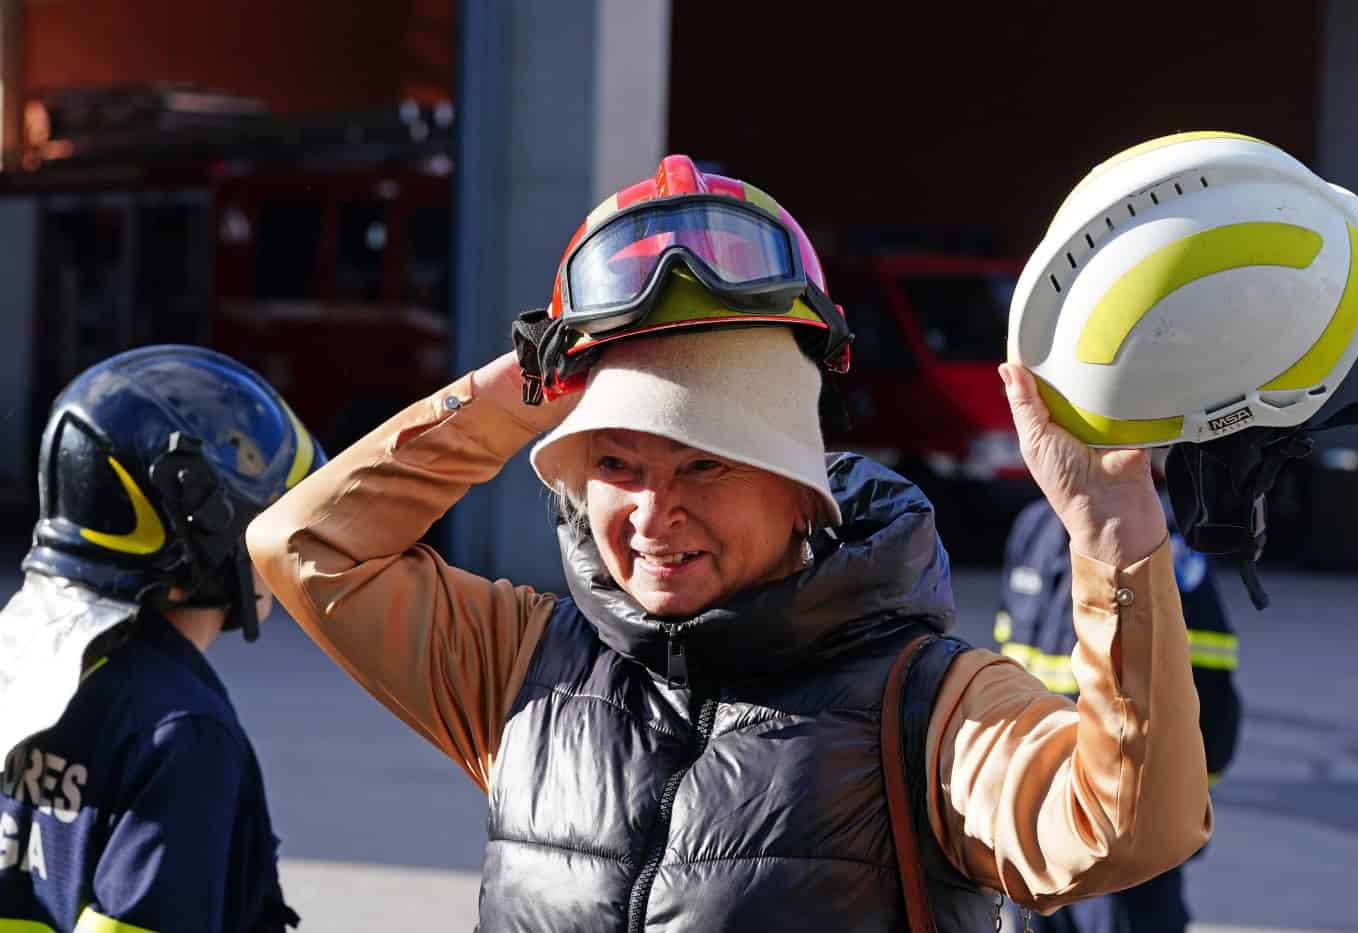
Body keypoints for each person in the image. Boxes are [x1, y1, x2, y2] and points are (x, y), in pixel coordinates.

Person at [248, 155, 1212, 931]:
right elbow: (304, 544)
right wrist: (520, 390)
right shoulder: (524, 669)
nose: (652, 512)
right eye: (616, 463)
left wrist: (1116, 538)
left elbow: (1128, 828)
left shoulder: (925, 705)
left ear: (798, 486)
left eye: (703, 465)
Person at [0, 346, 324, 932]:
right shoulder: (178, 734)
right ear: (206, 526)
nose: (286, 543)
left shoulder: (16, 670)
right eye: (276, 517)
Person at [996, 492, 1242, 933]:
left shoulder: (1154, 531)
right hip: (1042, 827)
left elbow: (1211, 674)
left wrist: (1178, 801)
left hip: (1125, 830)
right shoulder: (1032, 527)